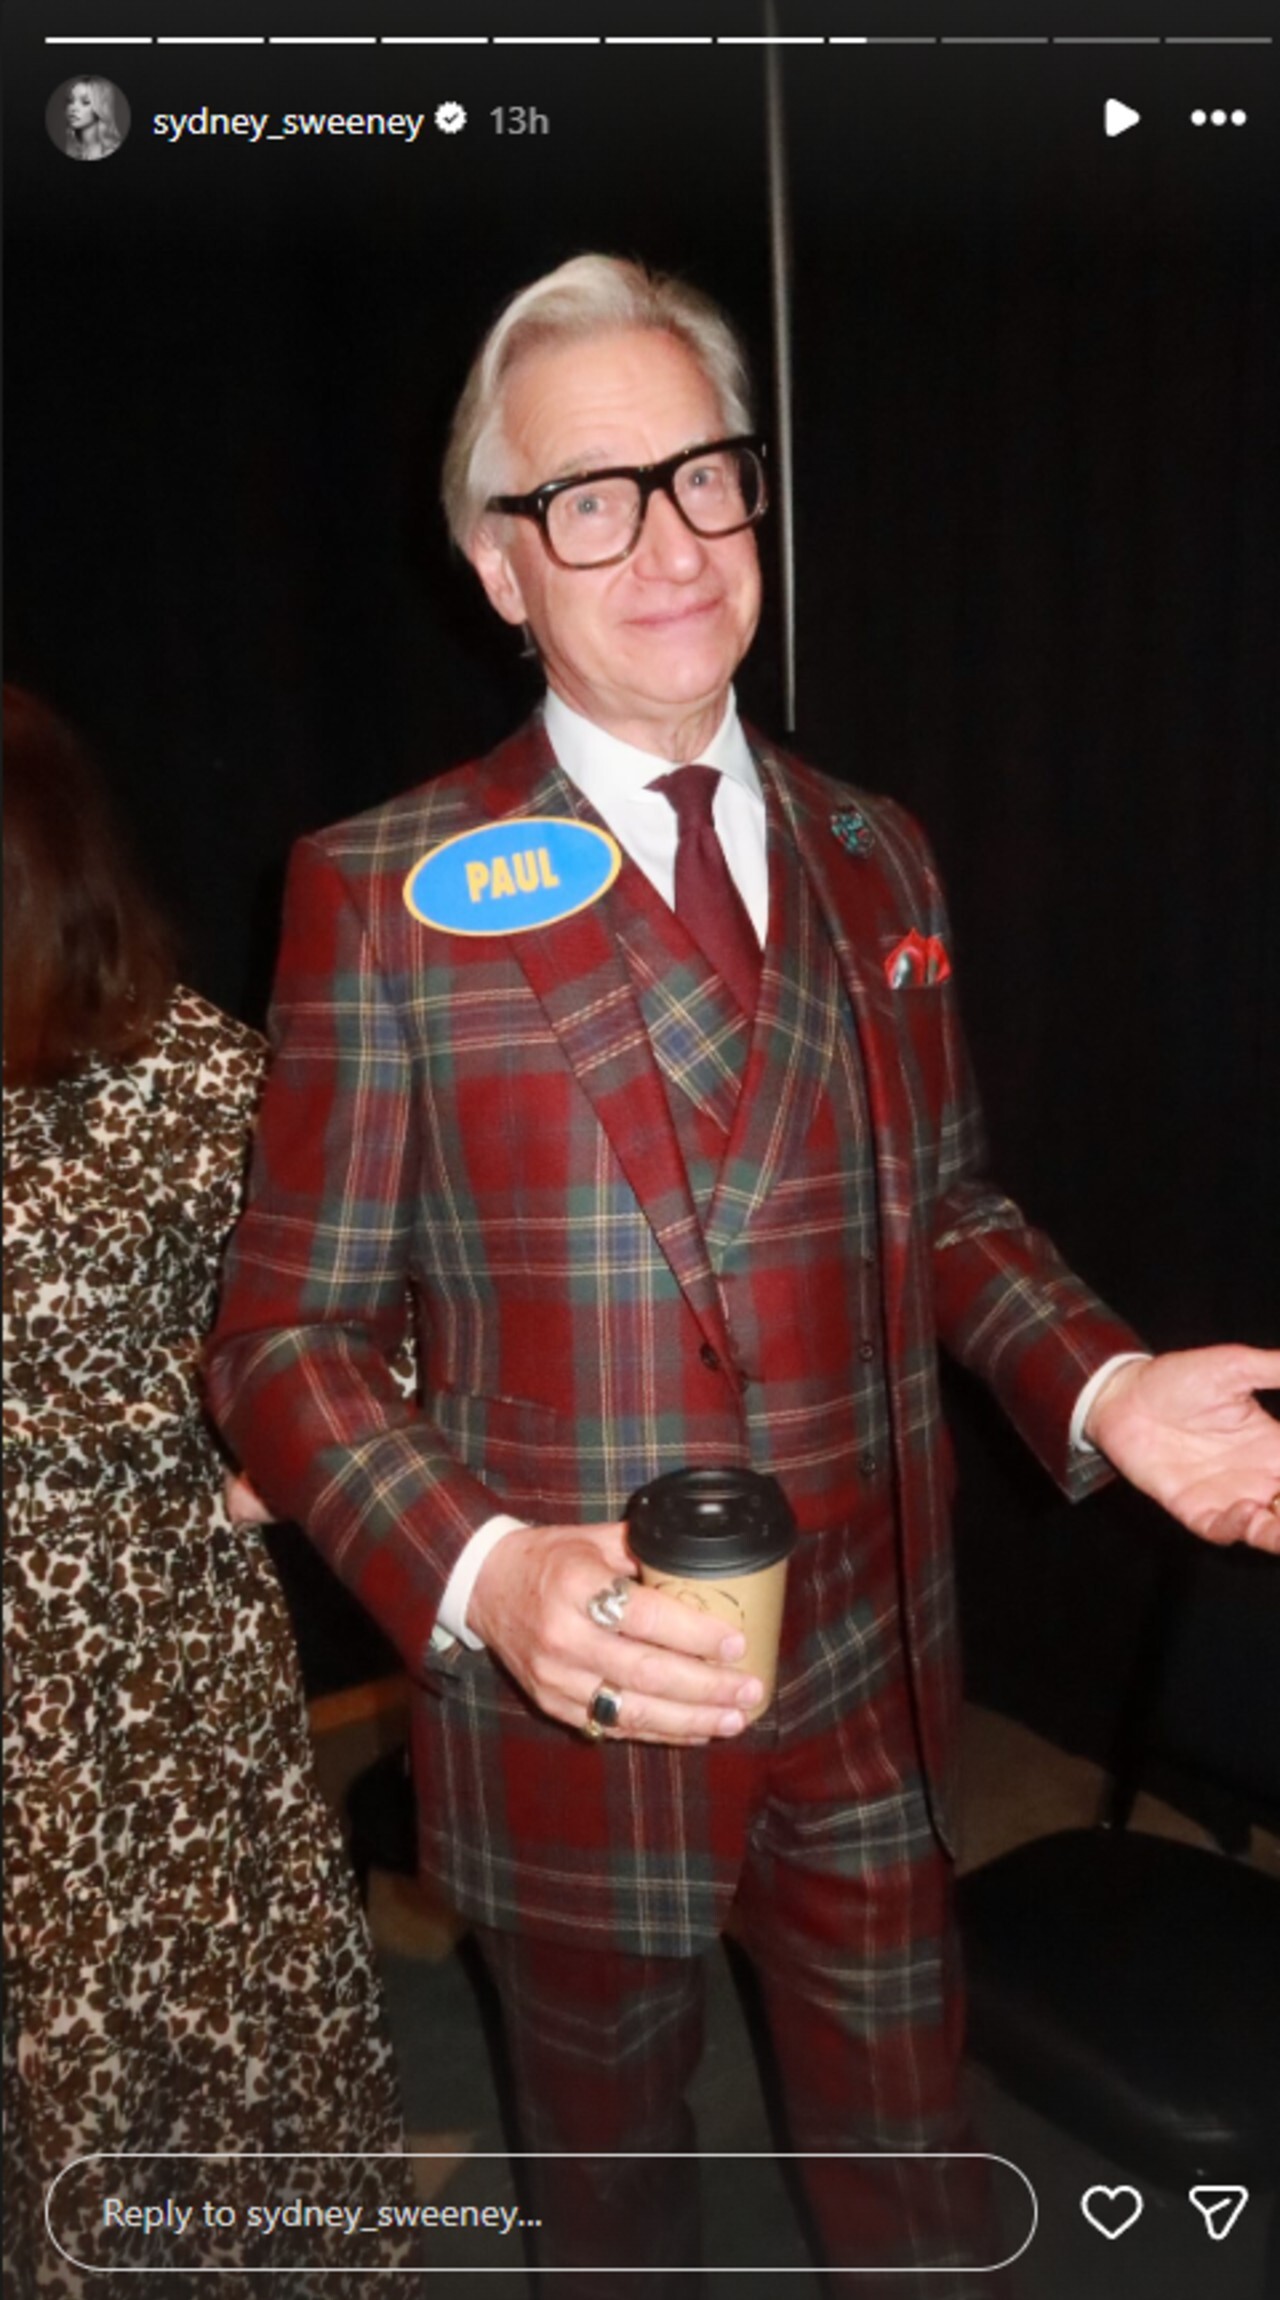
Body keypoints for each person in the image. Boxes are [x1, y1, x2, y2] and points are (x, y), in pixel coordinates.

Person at [206, 257, 1280, 2296]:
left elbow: (943, 1206)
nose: (673, 541)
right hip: (575, 1683)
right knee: (609, 2200)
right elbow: (283, 1337)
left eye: (706, 474)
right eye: (589, 497)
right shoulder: (381, 888)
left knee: (914, 2180)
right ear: (498, 564)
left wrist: (1105, 1384)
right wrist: (486, 1572)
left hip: (868, 1674)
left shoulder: (879, 851)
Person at [2, 687, 408, 2298]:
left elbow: (385, 1321)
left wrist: (261, 1488)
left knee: (164, 2052)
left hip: (130, 1672)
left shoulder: (189, 1081)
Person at [63, 80, 122, 162]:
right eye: (70, 101)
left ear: (101, 108)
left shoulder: (111, 151)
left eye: (85, 102)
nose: (73, 108)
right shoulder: (72, 151)